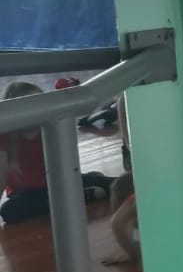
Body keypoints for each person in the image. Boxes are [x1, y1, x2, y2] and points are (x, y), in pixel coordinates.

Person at [1, 81, 115, 225]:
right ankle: (80, 196)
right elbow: (2, 173)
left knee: (111, 183)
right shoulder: (5, 135)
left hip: (59, 183)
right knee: (9, 210)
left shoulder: (51, 127)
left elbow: (66, 161)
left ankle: (76, 194)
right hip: (27, 193)